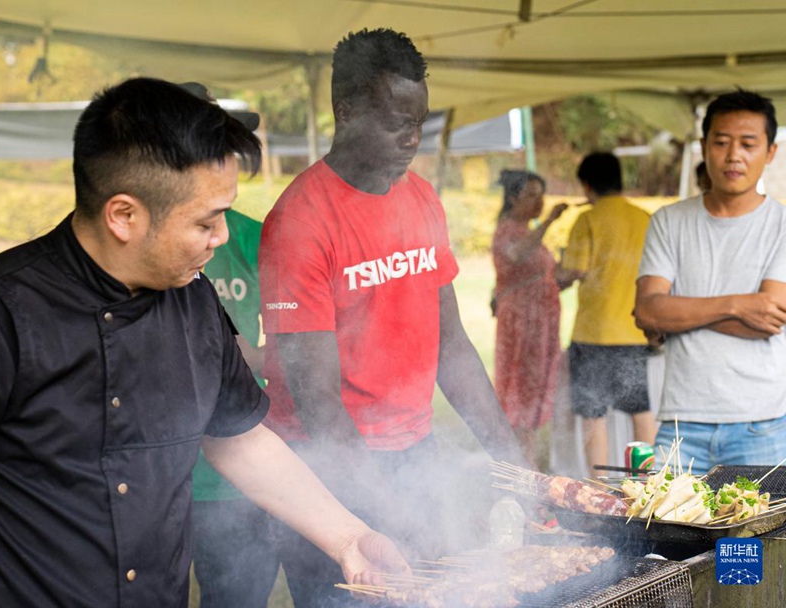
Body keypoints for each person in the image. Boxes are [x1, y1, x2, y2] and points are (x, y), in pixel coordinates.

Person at [0, 77, 408, 608]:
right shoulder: (3, 311)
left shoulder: (194, 297)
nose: (224, 237)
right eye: (206, 222)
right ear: (124, 215)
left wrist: (349, 538)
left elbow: (238, 437)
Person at [259, 28, 526, 607]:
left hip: (414, 450)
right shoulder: (300, 223)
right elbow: (316, 398)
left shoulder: (421, 198)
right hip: (326, 468)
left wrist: (512, 462)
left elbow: (452, 346)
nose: (412, 140)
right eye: (396, 123)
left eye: (420, 123)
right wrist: (386, 512)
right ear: (345, 110)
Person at [635, 89, 786, 474]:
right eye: (721, 142)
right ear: (703, 147)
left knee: (754, 535)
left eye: (748, 144)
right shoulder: (668, 222)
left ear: (770, 152)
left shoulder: (782, 225)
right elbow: (648, 309)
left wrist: (677, 313)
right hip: (681, 424)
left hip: (762, 424)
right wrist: (738, 304)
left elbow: (768, 321)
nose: (734, 155)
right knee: (666, 532)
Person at [178, 81, 280, 608]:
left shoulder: (248, 237)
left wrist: (249, 361)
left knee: (237, 595)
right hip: (166, 480)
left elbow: (289, 339)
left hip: (237, 466)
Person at [560, 152, 657, 474]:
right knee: (640, 412)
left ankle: (600, 489)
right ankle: (646, 485)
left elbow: (573, 270)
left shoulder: (587, 219)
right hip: (634, 330)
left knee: (593, 415)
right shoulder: (644, 219)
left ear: (587, 185)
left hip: (594, 334)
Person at [491, 170, 582, 469]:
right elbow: (516, 255)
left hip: (540, 326)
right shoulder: (509, 230)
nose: (540, 201)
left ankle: (528, 463)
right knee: (521, 391)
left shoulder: (528, 231)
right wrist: (549, 221)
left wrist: (579, 273)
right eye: (532, 194)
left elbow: (550, 276)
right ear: (514, 197)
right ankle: (519, 466)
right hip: (522, 327)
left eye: (541, 194)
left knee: (536, 390)